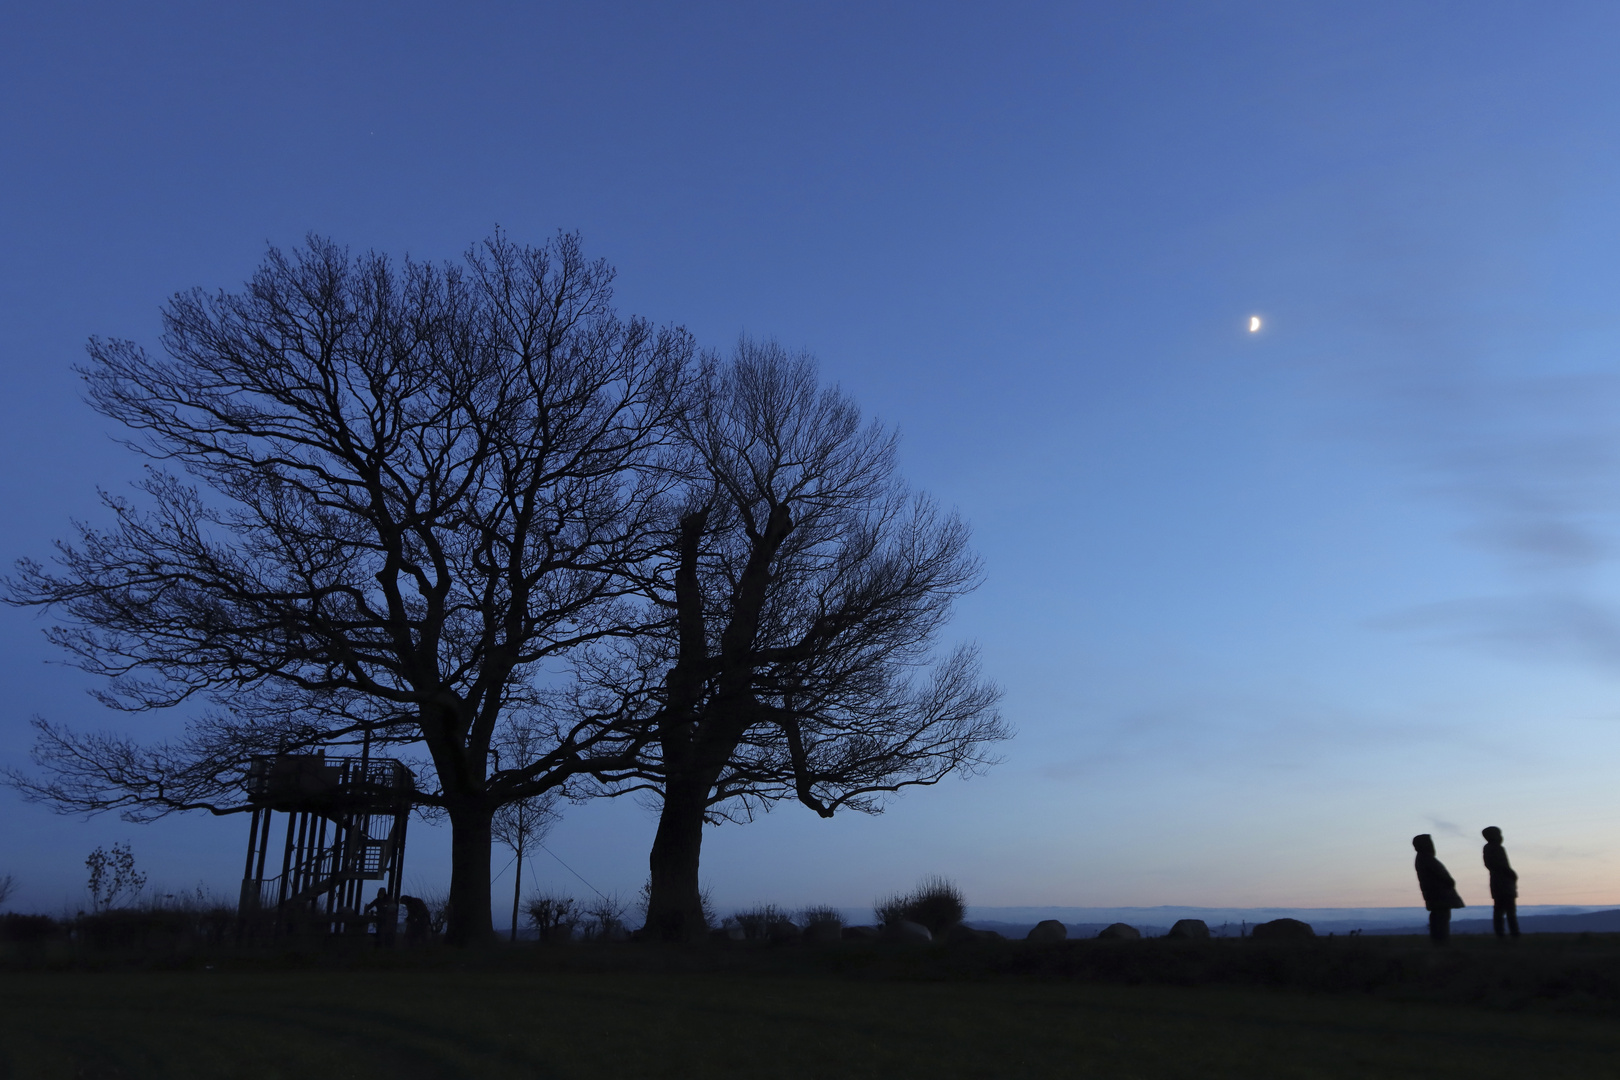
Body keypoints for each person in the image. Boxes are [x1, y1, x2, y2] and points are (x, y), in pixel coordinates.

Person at [1412, 834, 1464, 945]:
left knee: (1439, 916)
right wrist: (1449, 881)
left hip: (1435, 893)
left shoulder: (1423, 858)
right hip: (1438, 893)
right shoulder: (1426, 858)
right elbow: (1441, 874)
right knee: (1441, 917)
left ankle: (1438, 940)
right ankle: (1441, 940)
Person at [1481, 826, 1520, 939]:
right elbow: (1502, 865)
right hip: (1503, 883)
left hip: (1498, 883)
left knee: (1500, 910)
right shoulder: (1496, 848)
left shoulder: (1489, 848)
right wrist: (1511, 874)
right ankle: (1513, 933)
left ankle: (1502, 934)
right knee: (1508, 911)